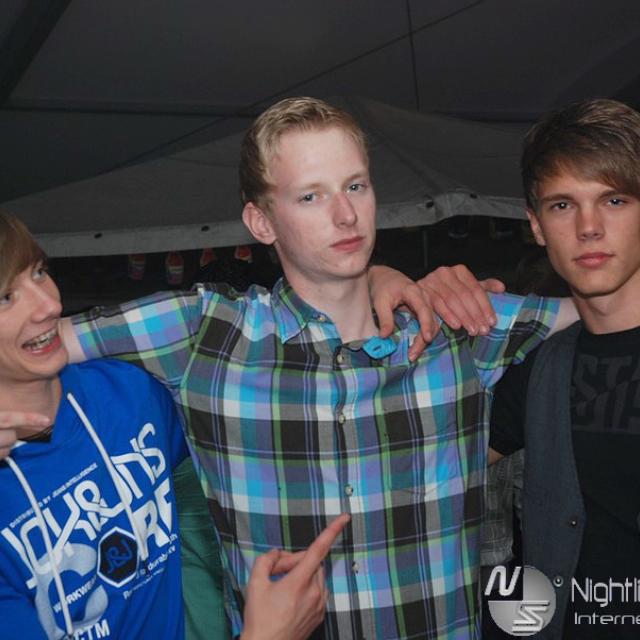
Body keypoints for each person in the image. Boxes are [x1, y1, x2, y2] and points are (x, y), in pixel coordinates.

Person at [59, 97, 572, 639]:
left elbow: (610, 308)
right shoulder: (206, 333)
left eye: (356, 186)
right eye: (311, 196)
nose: (345, 215)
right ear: (261, 222)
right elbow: (29, 340)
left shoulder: (453, 326)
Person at [0, 212, 349, 639]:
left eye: (39, 272)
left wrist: (368, 286)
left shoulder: (130, 392)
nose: (50, 305)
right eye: (6, 297)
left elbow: (268, 379)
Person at [488, 98, 640, 639]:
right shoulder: (539, 372)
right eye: (561, 205)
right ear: (536, 225)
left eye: (614, 200)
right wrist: (375, 282)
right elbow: (414, 465)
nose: (589, 227)